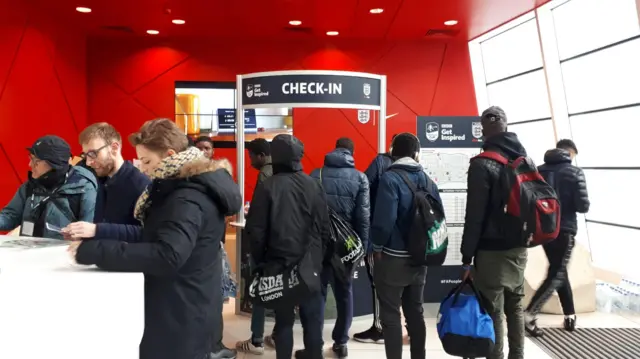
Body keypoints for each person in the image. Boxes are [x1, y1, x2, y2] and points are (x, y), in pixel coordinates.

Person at [68, 119, 242, 359]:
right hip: (183, 308)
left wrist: (95, 252)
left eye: (147, 161)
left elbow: (167, 255)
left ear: (170, 155)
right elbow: (157, 234)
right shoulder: (179, 188)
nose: (144, 169)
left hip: (181, 317)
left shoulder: (187, 197)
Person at [245, 134, 331, 359]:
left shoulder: (268, 186)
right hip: (310, 264)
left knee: (283, 322)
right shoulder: (315, 185)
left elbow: (256, 231)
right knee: (312, 321)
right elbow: (324, 227)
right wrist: (318, 258)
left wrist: (260, 261)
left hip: (278, 264)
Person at [460, 106, 529, 359]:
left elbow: (474, 216)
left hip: (491, 249)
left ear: (483, 130)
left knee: (494, 309)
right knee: (516, 304)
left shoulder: (481, 164)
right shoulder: (524, 160)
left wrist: (467, 258)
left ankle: (496, 356)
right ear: (506, 126)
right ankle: (518, 355)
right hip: (520, 246)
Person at [370, 132, 441, 359]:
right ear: (416, 154)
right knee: (415, 313)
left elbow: (383, 222)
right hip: (420, 257)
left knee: (390, 316)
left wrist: (376, 248)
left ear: (392, 152)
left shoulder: (390, 179)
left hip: (393, 257)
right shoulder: (429, 180)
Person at [309, 137, 370, 359]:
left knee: (318, 293)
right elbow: (363, 218)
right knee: (345, 292)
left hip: (319, 244)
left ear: (333, 149)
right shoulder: (360, 178)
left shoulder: (316, 174)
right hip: (345, 247)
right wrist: (361, 248)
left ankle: (314, 342)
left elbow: (308, 213)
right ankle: (341, 342)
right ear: (351, 153)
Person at [525, 139, 590, 335]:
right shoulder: (574, 172)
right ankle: (530, 313)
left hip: (544, 230)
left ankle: (570, 315)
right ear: (569, 153)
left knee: (558, 270)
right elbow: (583, 206)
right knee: (557, 272)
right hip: (565, 228)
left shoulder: (538, 170)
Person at [63, 123, 150, 241]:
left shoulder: (141, 185)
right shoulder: (98, 181)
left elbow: (148, 234)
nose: (88, 162)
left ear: (114, 148)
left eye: (93, 154)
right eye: (85, 156)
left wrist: (96, 230)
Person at [0, 135, 97, 239]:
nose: (30, 164)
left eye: (35, 161)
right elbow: (10, 216)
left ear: (55, 165)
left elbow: (88, 231)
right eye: (30, 159)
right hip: (28, 250)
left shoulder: (83, 188)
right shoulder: (30, 185)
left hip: (64, 253)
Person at [354, 133, 397, 344]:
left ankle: (380, 328)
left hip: (379, 233)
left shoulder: (381, 161)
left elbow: (363, 185)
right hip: (403, 241)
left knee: (378, 282)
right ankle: (397, 327)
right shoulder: (417, 170)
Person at [236, 137, 277, 355]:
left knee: (259, 290)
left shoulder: (264, 175)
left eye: (251, 156)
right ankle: (278, 336)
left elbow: (261, 215)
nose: (250, 160)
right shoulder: (285, 172)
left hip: (265, 245)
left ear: (261, 156)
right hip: (281, 244)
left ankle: (257, 340)